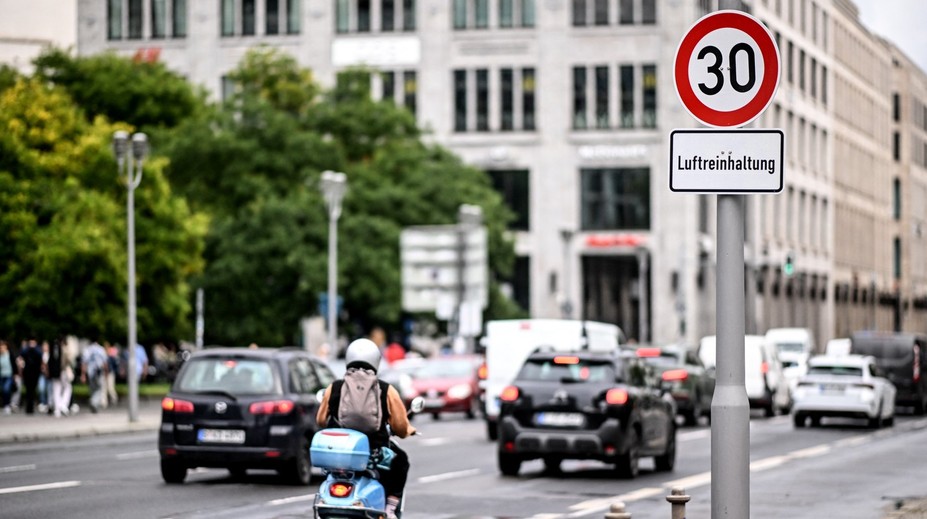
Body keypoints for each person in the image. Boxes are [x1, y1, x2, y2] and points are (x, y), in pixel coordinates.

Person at [316, 338, 415, 519]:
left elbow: (321, 420)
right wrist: (406, 431)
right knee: (401, 461)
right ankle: (391, 509)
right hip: (373, 454)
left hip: (338, 455)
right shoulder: (386, 390)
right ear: (376, 360)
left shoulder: (334, 388)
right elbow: (400, 427)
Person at [81, 340, 108, 413]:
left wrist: (83, 374)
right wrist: (106, 373)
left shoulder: (87, 350)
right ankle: (94, 402)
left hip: (90, 372)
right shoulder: (101, 349)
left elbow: (84, 363)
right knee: (99, 389)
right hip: (99, 372)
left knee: (92, 389)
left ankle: (93, 401)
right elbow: (105, 363)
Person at [18, 338, 43, 414]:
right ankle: (29, 407)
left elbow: (40, 356)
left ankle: (31, 406)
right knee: (28, 390)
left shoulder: (37, 351)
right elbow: (21, 355)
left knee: (32, 390)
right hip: (27, 373)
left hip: (35, 373)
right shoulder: (26, 350)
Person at [0, 340, 15, 414]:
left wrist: (15, 374)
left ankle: (7, 405)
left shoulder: (10, 354)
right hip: (1, 375)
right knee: (3, 390)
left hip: (9, 375)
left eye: (3, 347)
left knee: (6, 389)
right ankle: (5, 404)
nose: (2, 348)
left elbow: (13, 365)